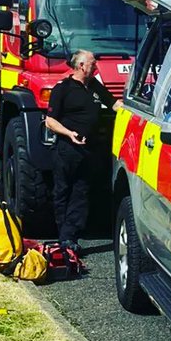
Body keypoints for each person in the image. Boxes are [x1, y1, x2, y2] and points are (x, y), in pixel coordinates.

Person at [44, 49, 121, 274]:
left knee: (82, 193)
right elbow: (50, 121)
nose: (95, 66)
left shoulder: (94, 87)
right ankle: (63, 238)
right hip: (67, 150)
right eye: (92, 63)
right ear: (80, 66)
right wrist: (69, 134)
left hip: (90, 151)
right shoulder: (62, 89)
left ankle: (71, 238)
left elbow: (114, 104)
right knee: (62, 192)